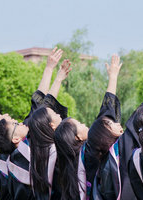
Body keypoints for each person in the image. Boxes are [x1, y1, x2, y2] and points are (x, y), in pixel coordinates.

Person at [0, 47, 67, 200]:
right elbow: (41, 107)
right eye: (2, 118)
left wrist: (52, 72)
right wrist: (51, 71)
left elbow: (39, 105)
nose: (7, 116)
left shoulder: (0, 161)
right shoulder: (20, 146)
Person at [92, 59, 143, 200]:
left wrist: (113, 77)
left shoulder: (94, 155)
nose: (118, 124)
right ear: (104, 135)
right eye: (111, 124)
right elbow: (141, 114)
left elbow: (106, 110)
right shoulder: (121, 148)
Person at [53, 53, 124, 200]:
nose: (85, 124)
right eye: (80, 124)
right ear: (77, 137)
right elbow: (106, 114)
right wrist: (113, 77)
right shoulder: (89, 153)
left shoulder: (65, 165)